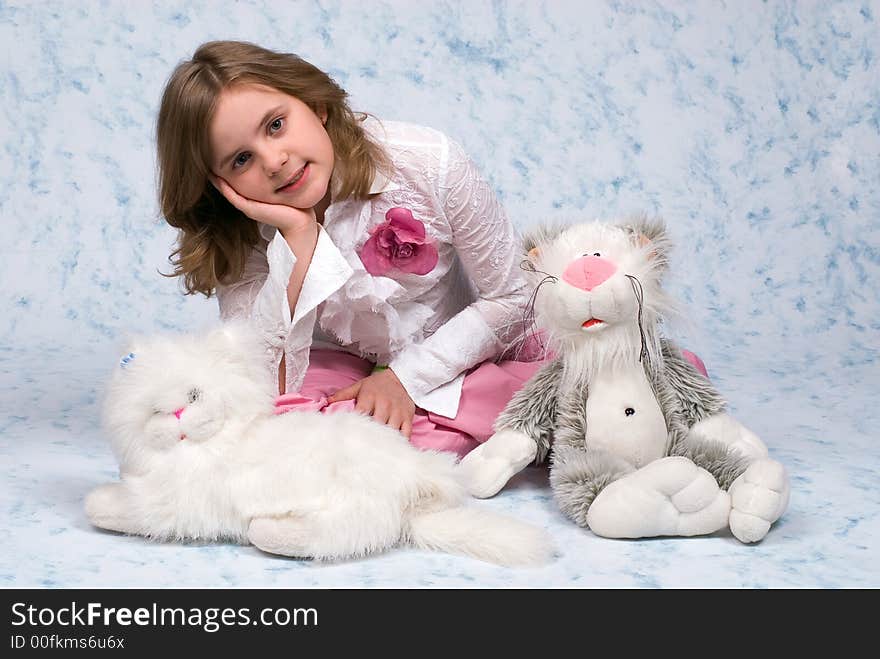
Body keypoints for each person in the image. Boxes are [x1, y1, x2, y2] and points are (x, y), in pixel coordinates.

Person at [155, 40, 545, 458]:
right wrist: (298, 242)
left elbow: (512, 297)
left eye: (275, 125)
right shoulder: (240, 231)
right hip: (336, 366)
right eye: (241, 160)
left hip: (449, 352)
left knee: (434, 429)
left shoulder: (429, 163)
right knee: (267, 435)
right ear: (218, 186)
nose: (273, 161)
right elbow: (262, 381)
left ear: (316, 106)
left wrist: (403, 379)